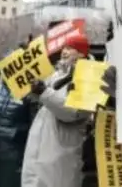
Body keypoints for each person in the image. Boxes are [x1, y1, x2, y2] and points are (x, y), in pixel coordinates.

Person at [20, 35, 90, 187]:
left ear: (81, 53)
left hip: (60, 157)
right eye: (63, 48)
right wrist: (27, 61)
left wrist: (44, 92)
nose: (64, 51)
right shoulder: (56, 75)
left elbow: (73, 112)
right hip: (41, 151)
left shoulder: (88, 78)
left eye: (70, 48)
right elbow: (38, 93)